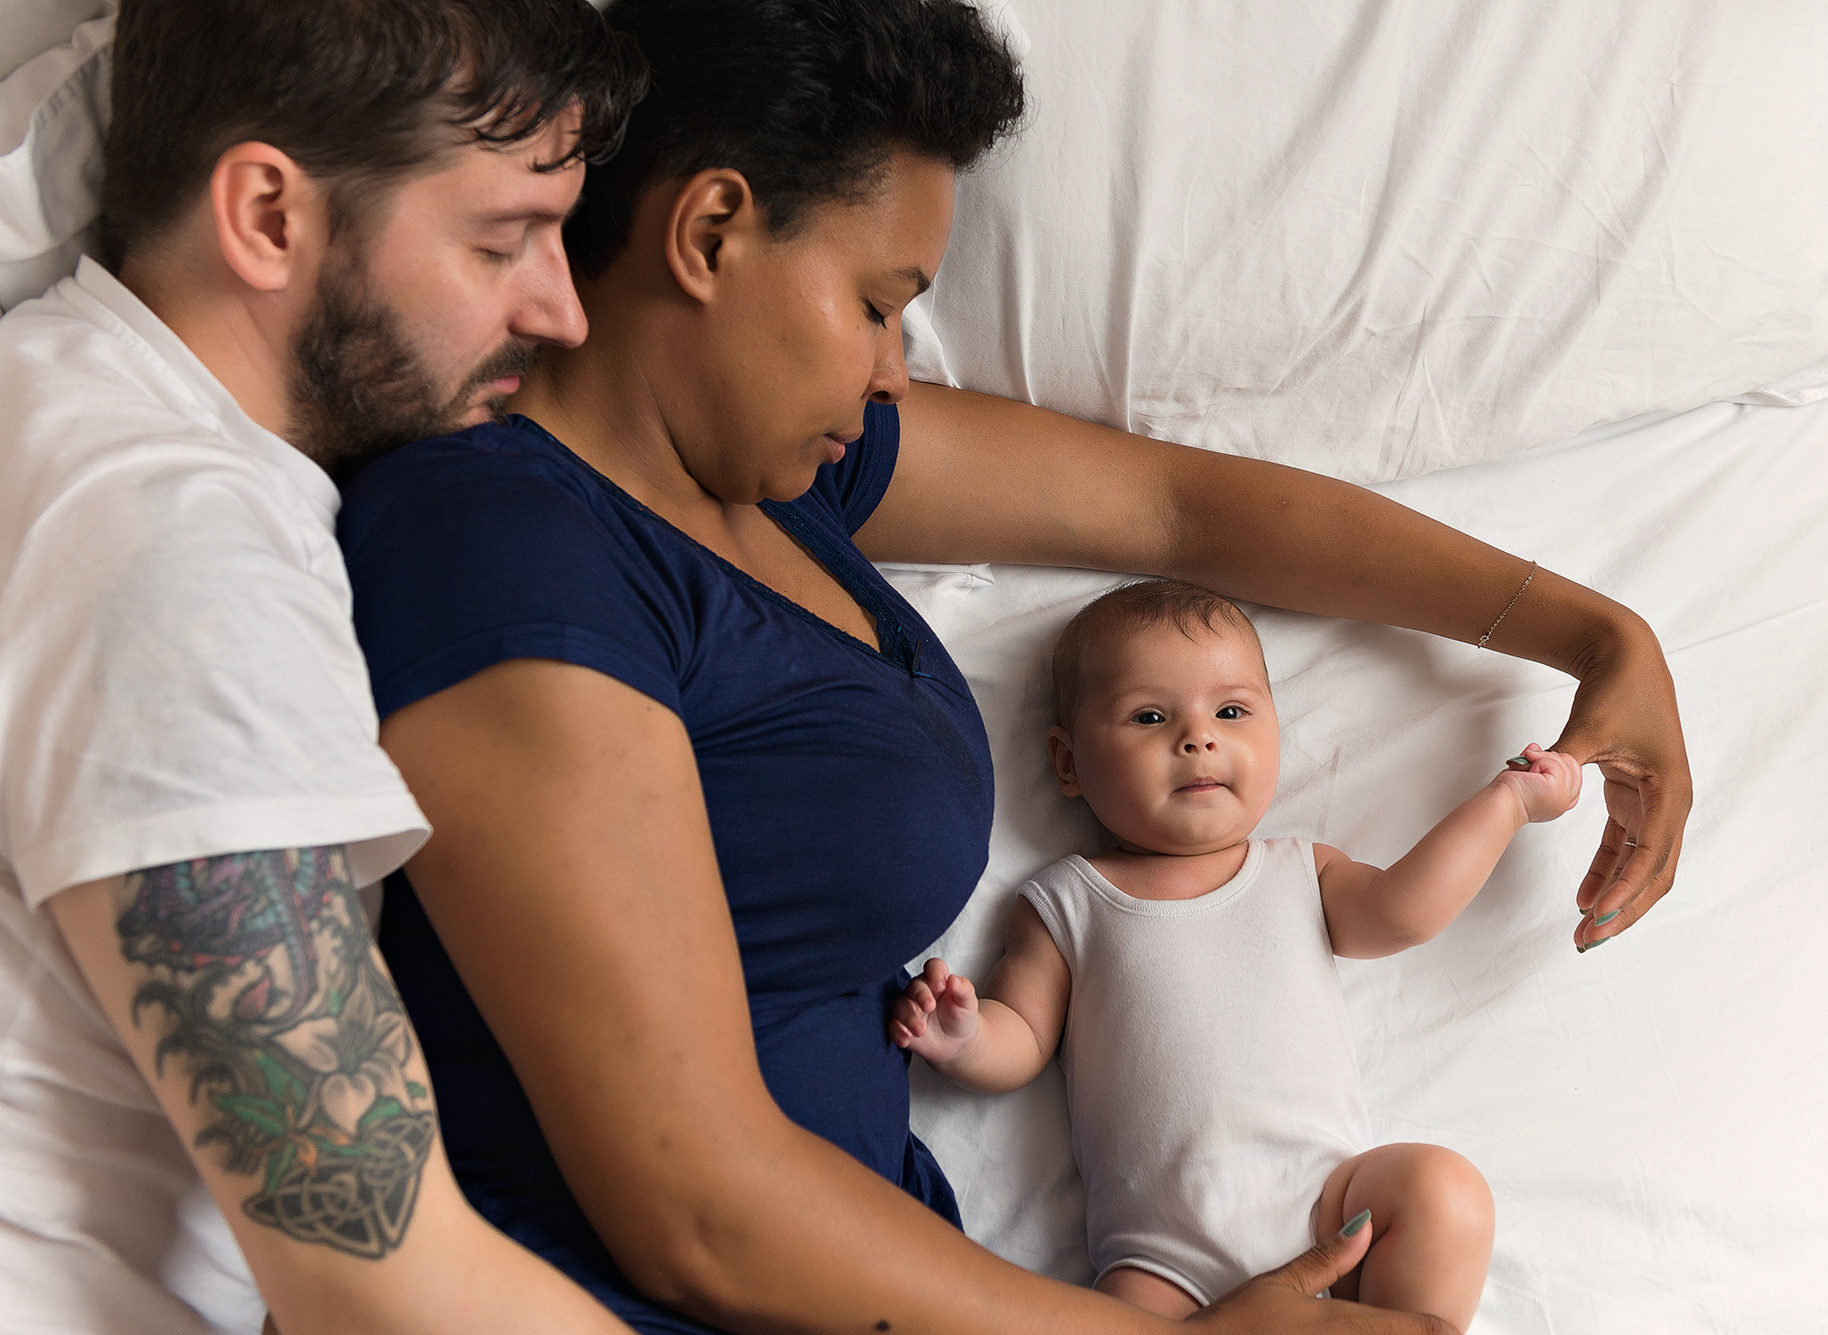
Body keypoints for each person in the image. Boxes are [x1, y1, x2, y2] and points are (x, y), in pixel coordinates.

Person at [334, 2, 1691, 1333]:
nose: (894, 374)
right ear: (709, 231)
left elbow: (1179, 513)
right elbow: (694, 1200)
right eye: (878, 305)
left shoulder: (785, 486)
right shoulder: (503, 535)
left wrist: (1596, 634)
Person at [0, 1, 651, 1331]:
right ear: (269, 217)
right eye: (503, 239)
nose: (564, 309)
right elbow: (380, 1266)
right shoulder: (171, 538)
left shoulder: (61, 408)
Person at [891, 578, 1586, 1329]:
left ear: (1274, 733)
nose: (1198, 737)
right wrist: (965, 1038)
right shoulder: (1068, 899)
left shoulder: (1300, 870)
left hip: (1332, 1208)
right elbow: (1021, 1037)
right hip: (1162, 1256)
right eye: (1150, 716)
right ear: (1068, 763)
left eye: (1230, 711)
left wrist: (1505, 803)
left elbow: (1405, 911)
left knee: (1445, 1189)